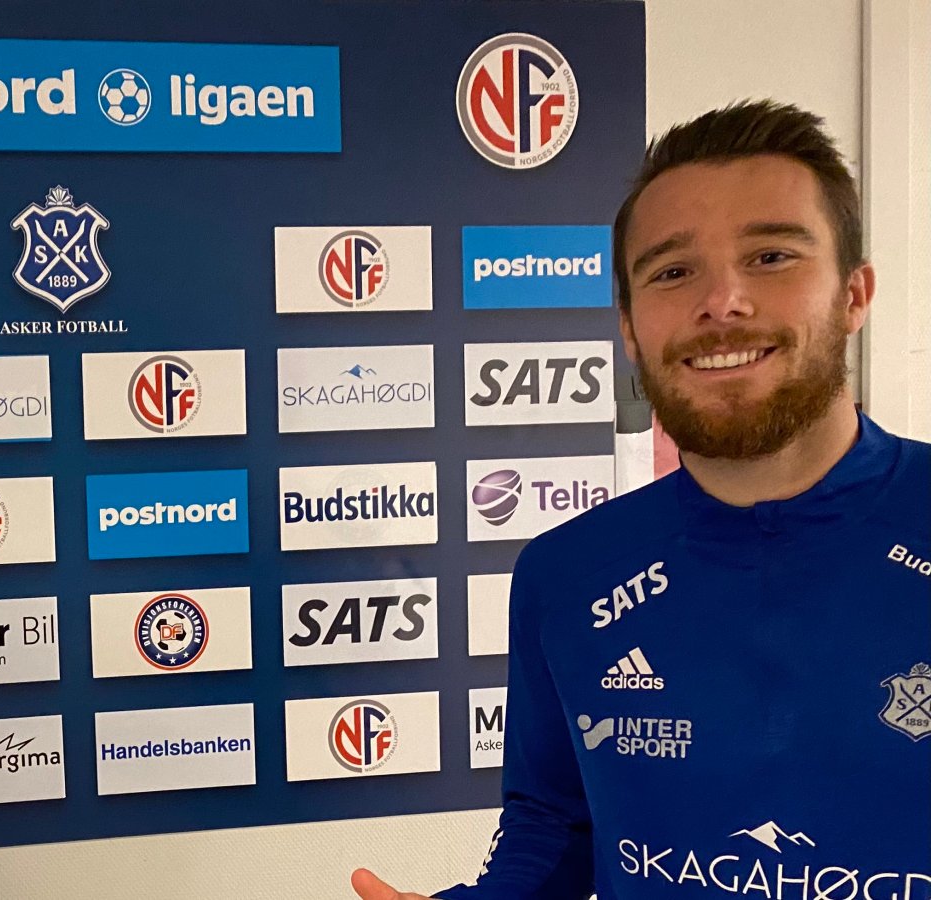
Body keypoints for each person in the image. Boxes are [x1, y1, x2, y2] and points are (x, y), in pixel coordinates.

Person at [353, 100, 931, 899]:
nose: (722, 301)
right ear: (629, 326)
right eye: (672, 271)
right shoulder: (567, 573)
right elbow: (555, 825)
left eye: (770, 256)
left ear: (854, 294)